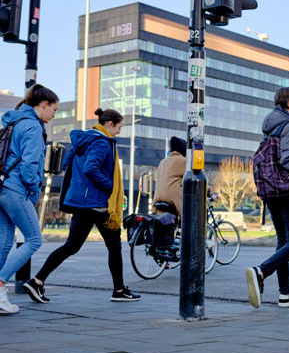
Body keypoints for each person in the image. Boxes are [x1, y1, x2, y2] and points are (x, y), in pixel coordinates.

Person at [23, 108, 141, 303]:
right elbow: (90, 168)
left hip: (81, 203)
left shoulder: (83, 140)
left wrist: (81, 186)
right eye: (119, 127)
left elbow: (67, 163)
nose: (119, 132)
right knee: (114, 247)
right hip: (97, 204)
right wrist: (109, 185)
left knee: (71, 246)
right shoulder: (102, 142)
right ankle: (119, 291)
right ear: (110, 124)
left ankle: (37, 281)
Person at [246, 87, 289, 309]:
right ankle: (261, 271)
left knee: (283, 241)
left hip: (271, 191)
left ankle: (284, 293)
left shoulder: (270, 126)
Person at [0, 85, 59, 314]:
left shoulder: (13, 123)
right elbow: (30, 166)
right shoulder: (33, 127)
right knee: (34, 239)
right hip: (17, 189)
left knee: (5, 243)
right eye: (54, 109)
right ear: (43, 105)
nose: (54, 114)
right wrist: (33, 192)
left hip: (3, 187)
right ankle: (1, 284)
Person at [153, 136, 187, 217]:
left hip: (158, 200)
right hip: (173, 201)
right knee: (188, 219)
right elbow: (193, 178)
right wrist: (207, 189)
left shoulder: (163, 162)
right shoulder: (183, 161)